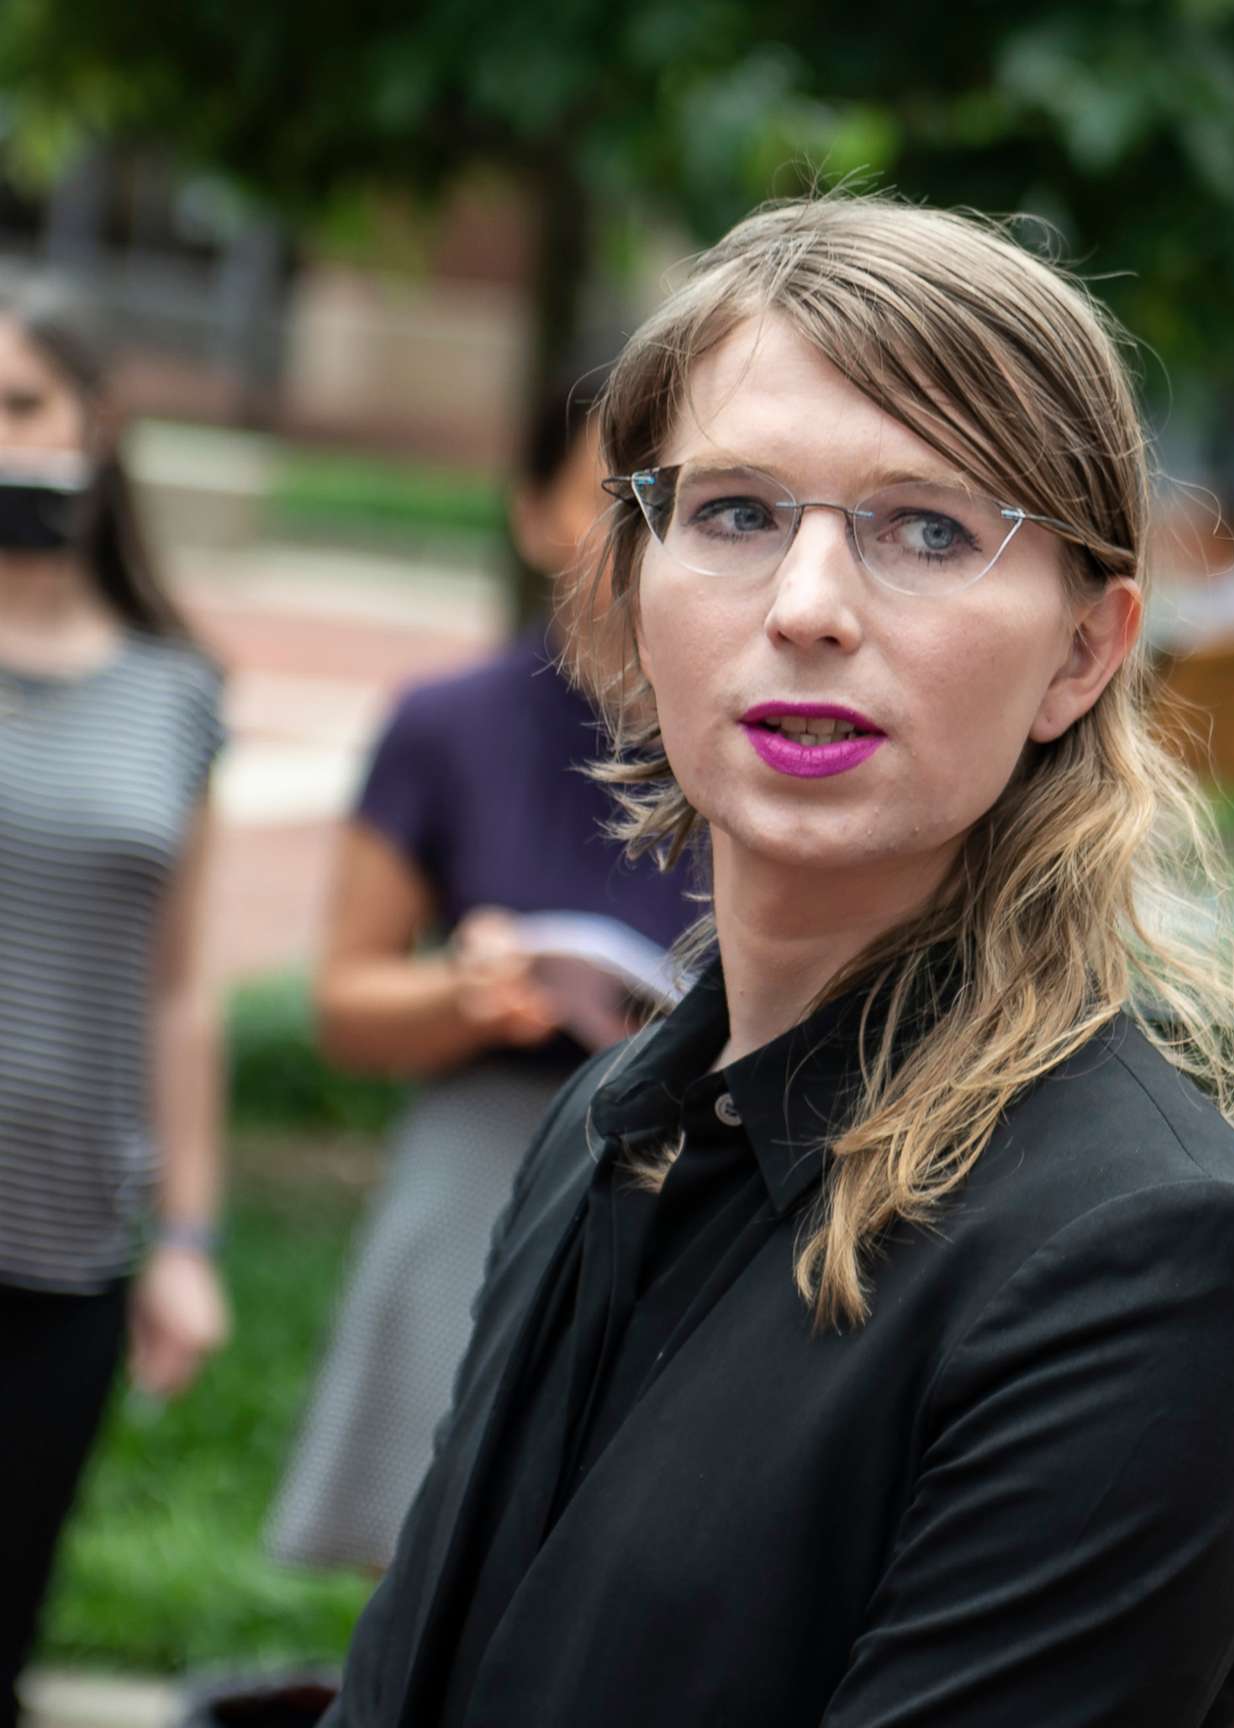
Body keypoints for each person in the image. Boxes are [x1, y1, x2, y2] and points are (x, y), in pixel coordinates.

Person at [321, 194, 1234, 1728]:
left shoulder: (1143, 1261)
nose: (806, 609)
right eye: (735, 513)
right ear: (629, 584)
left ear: (1085, 649)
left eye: (928, 529)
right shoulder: (605, 1133)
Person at [265, 370, 699, 1574]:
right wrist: (464, 995)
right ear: (533, 514)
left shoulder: (754, 733)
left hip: (701, 1173)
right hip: (490, 1148)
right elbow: (346, 1007)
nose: (645, 534)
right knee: (434, 1549)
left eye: (688, 498)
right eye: (618, 492)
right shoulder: (447, 724)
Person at [0, 281, 229, 1726]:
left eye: (20, 405)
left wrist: (189, 1241)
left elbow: (184, 991)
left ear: (97, 426)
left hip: (64, 1251)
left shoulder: (174, 692)